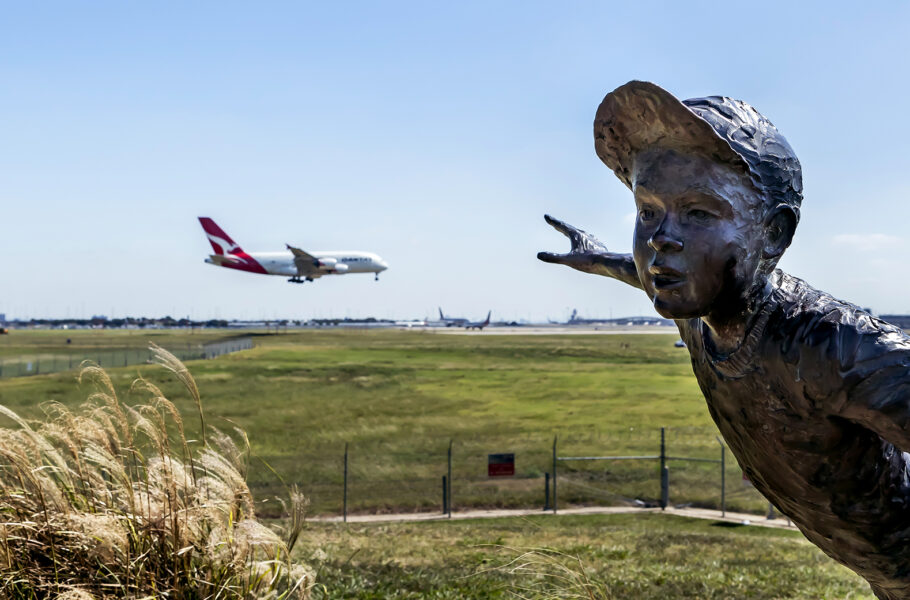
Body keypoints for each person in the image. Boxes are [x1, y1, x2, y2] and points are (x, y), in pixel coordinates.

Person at [539, 80, 910, 600]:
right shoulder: (698, 312)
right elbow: (645, 270)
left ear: (774, 234)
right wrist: (599, 260)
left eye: (698, 213)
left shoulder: (829, 347)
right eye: (647, 211)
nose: (660, 239)